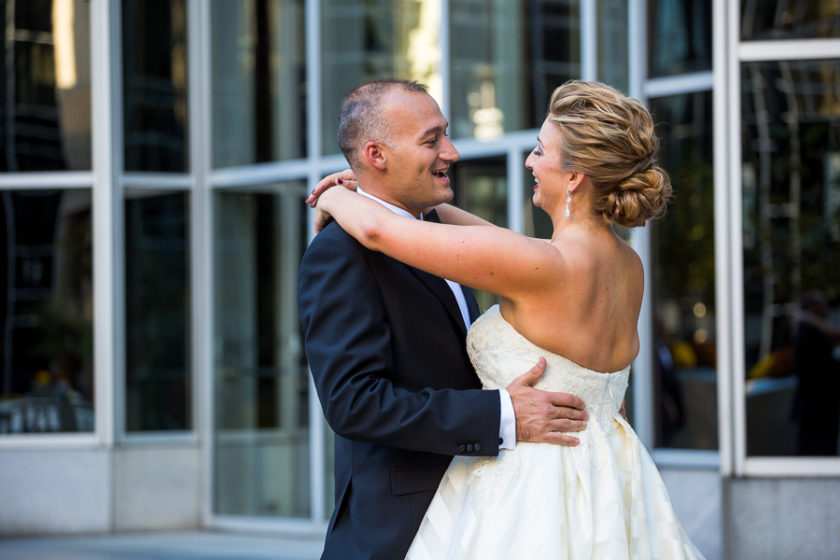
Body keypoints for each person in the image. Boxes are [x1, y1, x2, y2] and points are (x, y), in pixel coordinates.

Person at [310, 79, 706, 559]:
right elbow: (477, 234)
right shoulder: (626, 266)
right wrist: (375, 195)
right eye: (433, 139)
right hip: (607, 477)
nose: (529, 161)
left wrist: (332, 198)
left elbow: (377, 228)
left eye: (540, 151)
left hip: (531, 493)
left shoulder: (539, 265)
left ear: (575, 176)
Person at [298, 79, 590, 560]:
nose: (451, 152)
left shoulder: (438, 232)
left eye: (446, 135)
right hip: (402, 531)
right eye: (431, 140)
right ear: (376, 154)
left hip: (488, 514)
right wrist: (501, 414)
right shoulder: (339, 254)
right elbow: (353, 402)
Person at [791, 291, 840, 455]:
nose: (826, 306)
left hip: (818, 404)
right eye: (822, 303)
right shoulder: (809, 331)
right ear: (813, 307)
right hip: (816, 405)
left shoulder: (808, 327)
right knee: (816, 449)